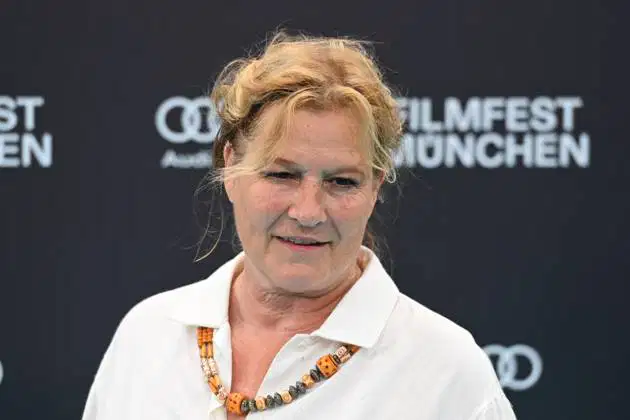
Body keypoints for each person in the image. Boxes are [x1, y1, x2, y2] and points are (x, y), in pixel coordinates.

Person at [81, 31, 517, 420]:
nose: (308, 212)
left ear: (375, 188)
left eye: (342, 182)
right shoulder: (147, 335)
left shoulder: (446, 373)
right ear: (230, 168)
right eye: (281, 175)